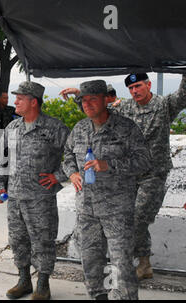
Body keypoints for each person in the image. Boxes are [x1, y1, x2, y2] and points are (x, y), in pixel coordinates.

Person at [60, 73, 186, 281]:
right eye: (131, 88)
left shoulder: (164, 105)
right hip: (127, 174)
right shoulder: (125, 107)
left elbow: (183, 95)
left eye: (138, 86)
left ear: (148, 85)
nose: (135, 91)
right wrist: (79, 95)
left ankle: (133, 265)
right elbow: (98, 111)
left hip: (152, 173)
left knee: (136, 217)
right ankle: (143, 263)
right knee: (132, 219)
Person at [63, 80, 151, 300]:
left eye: (93, 99)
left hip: (117, 209)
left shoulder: (126, 128)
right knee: (91, 259)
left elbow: (144, 161)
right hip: (87, 208)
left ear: (105, 99)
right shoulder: (80, 128)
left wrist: (109, 165)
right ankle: (98, 295)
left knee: (121, 262)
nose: (87, 104)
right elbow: (67, 156)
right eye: (83, 100)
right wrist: (72, 173)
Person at [0, 81, 70, 300]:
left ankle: (43, 285)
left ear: (33, 102)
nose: (14, 101)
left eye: (20, 98)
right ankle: (24, 280)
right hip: (15, 198)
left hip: (41, 199)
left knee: (43, 241)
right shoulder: (12, 128)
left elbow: (78, 154)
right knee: (18, 240)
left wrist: (58, 176)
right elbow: (2, 160)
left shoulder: (54, 128)